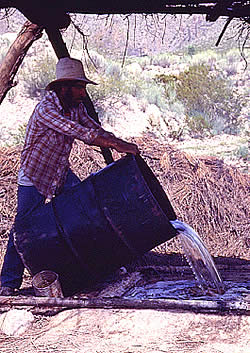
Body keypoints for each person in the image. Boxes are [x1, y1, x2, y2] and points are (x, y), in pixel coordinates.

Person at [0, 57, 139, 296]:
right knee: (23, 228)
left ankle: (99, 267)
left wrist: (117, 140)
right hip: (35, 175)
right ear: (64, 87)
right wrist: (115, 144)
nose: (83, 93)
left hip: (59, 172)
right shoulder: (47, 108)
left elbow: (93, 128)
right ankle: (7, 283)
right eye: (79, 87)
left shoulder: (76, 107)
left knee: (86, 212)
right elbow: (79, 132)